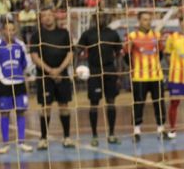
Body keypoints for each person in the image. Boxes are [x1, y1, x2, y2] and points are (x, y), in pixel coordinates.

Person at [30, 9, 75, 149]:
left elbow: (70, 53)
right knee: (45, 107)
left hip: (62, 75)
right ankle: (43, 139)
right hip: (45, 76)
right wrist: (50, 71)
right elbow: (34, 56)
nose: (47, 18)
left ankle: (67, 137)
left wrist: (59, 70)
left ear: (54, 16)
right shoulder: (37, 35)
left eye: (49, 15)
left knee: (64, 105)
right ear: (41, 19)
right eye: (44, 15)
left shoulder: (64, 33)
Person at [76, 12, 122, 146]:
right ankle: (94, 135)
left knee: (111, 101)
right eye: (98, 17)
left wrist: (118, 71)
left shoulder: (112, 34)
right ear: (93, 19)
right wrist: (77, 67)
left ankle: (112, 133)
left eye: (103, 16)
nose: (101, 19)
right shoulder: (88, 34)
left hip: (110, 70)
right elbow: (78, 51)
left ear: (107, 18)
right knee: (94, 103)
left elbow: (118, 53)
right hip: (94, 71)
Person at [0, 21, 33, 153]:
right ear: (3, 31)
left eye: (13, 29)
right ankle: (5, 143)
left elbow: (25, 64)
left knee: (20, 111)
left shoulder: (20, 45)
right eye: (8, 29)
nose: (10, 32)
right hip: (3, 85)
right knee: (5, 113)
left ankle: (21, 142)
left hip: (19, 84)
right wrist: (2, 77)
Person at [126, 11, 167, 141]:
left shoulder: (157, 35)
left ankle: (161, 130)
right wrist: (136, 68)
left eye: (149, 19)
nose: (147, 22)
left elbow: (160, 54)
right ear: (139, 21)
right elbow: (126, 56)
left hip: (156, 76)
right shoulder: (132, 36)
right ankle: (136, 131)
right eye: (144, 19)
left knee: (159, 104)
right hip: (139, 77)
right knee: (138, 104)